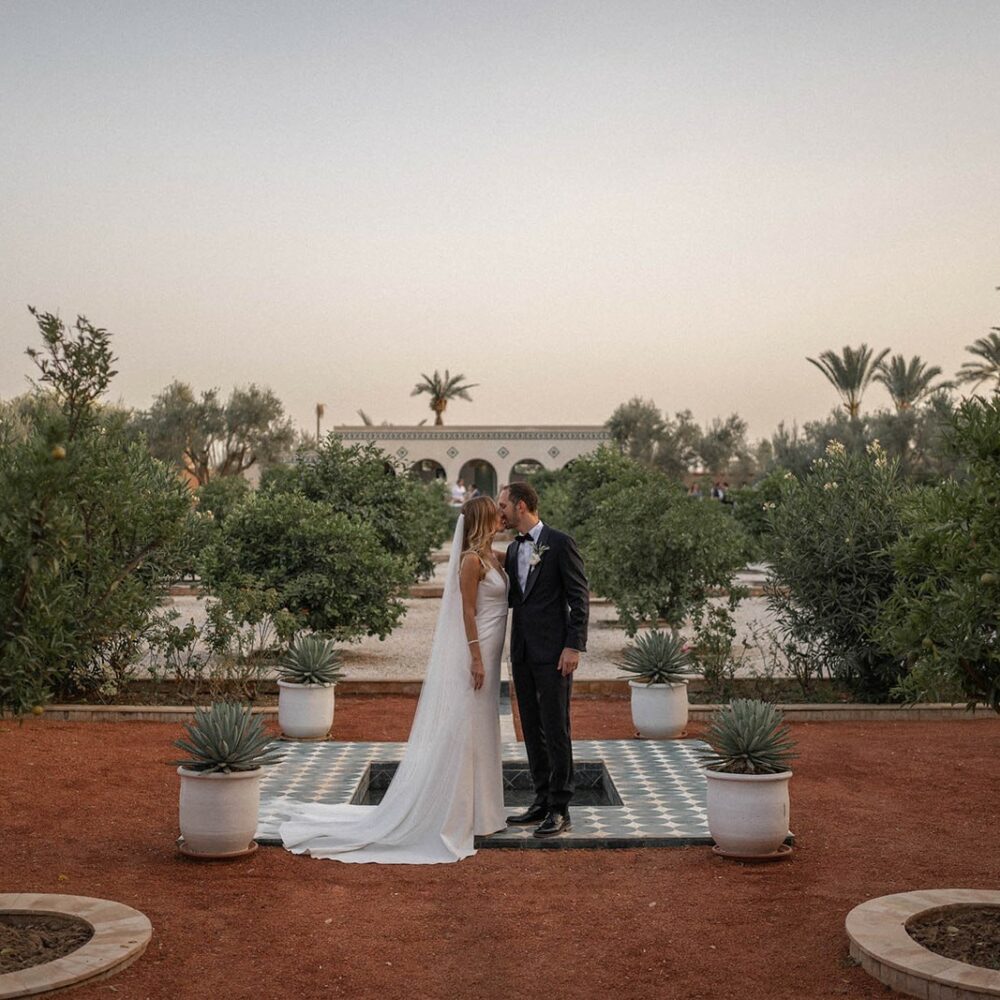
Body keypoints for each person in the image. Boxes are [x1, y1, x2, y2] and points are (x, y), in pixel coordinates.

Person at [256, 496, 508, 863]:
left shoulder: (492, 557)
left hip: (492, 653)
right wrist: (475, 656)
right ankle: (455, 812)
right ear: (483, 520)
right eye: (495, 514)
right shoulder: (471, 562)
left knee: (484, 729)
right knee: (465, 728)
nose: (501, 517)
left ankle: (485, 813)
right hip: (477, 653)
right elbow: (467, 611)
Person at [498, 482, 589, 838]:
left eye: (504, 505)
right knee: (531, 728)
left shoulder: (560, 542)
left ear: (521, 506)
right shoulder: (510, 549)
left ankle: (560, 807)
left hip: (554, 654)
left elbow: (579, 598)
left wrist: (573, 646)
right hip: (521, 652)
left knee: (556, 727)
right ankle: (540, 798)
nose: (500, 511)